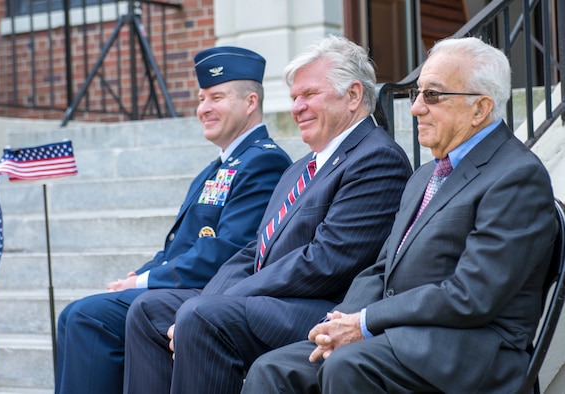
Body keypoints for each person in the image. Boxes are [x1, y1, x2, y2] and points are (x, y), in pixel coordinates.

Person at [242, 36, 559, 394]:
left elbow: (471, 295)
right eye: (417, 93)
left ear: (480, 108)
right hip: (400, 337)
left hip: (472, 351)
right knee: (273, 368)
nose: (416, 108)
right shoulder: (427, 174)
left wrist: (365, 322)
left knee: (348, 365)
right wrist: (342, 321)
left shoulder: (517, 176)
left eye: (433, 95)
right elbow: (381, 269)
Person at [122, 35, 413, 394]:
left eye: (309, 95)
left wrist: (222, 301)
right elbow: (255, 249)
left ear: (353, 96)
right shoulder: (302, 167)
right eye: (294, 98)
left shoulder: (376, 158)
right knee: (149, 310)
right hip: (271, 300)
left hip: (322, 309)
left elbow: (325, 261)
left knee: (201, 317)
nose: (297, 108)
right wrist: (210, 296)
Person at [54, 46, 293, 394]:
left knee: (86, 317)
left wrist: (144, 282)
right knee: (77, 314)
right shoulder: (216, 168)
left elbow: (228, 251)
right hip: (179, 286)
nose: (204, 109)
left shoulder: (263, 163)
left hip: (208, 292)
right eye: (200, 99)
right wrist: (140, 274)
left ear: (251, 102)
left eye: (217, 97)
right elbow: (180, 247)